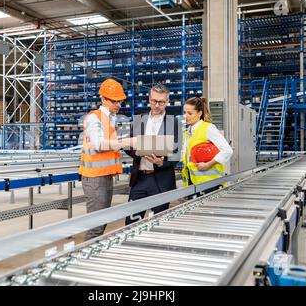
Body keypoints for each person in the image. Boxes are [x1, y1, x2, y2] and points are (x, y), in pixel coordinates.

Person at [79, 78, 134, 241]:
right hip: (95, 178)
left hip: (105, 176)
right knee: (96, 226)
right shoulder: (94, 118)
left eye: (120, 102)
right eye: (114, 101)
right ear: (103, 99)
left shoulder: (111, 118)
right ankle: (82, 258)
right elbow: (98, 144)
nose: (118, 105)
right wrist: (125, 142)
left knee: (102, 222)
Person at [124, 84, 179, 225]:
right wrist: (139, 151)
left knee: (158, 224)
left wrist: (162, 163)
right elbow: (128, 144)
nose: (156, 106)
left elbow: (177, 154)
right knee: (130, 222)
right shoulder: (139, 120)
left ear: (167, 101)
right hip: (140, 179)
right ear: (149, 99)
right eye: (154, 101)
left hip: (161, 181)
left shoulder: (174, 123)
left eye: (161, 102)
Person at [182, 97, 233, 191]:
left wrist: (208, 164)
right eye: (184, 112)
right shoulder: (187, 132)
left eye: (189, 113)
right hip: (193, 183)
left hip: (210, 184)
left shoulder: (208, 128)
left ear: (199, 113)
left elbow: (227, 150)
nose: (186, 116)